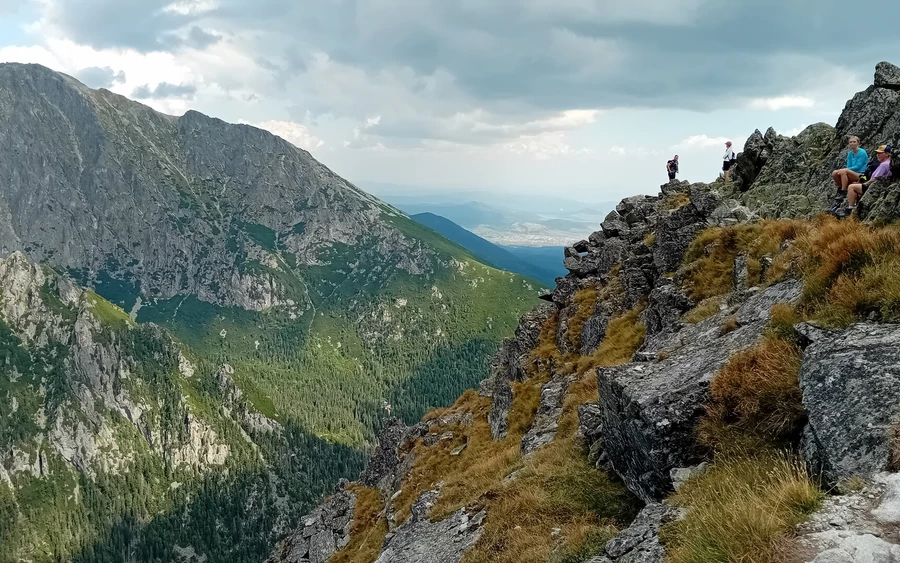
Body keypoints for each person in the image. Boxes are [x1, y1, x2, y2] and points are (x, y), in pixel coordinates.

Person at [846, 145, 893, 210]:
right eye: (877, 153)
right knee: (856, 189)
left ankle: (850, 208)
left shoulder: (884, 165)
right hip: (878, 187)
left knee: (851, 187)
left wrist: (864, 184)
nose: (877, 155)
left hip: (874, 188)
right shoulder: (888, 163)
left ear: (887, 154)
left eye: (880, 153)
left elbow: (875, 179)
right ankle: (855, 206)